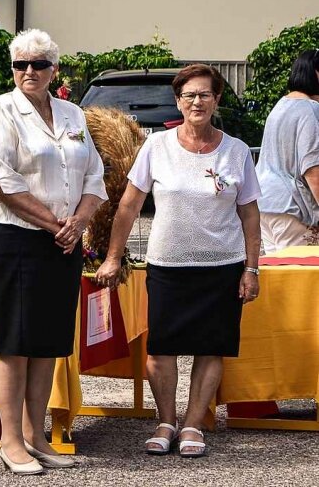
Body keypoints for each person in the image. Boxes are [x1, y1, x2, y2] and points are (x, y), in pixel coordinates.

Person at [95, 64, 262, 458]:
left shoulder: (236, 151)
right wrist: (113, 257)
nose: (197, 101)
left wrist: (251, 268)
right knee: (161, 350)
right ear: (178, 101)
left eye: (205, 94)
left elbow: (250, 214)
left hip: (222, 266)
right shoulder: (156, 147)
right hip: (168, 265)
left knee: (210, 348)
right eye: (189, 95)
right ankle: (165, 421)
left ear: (217, 99)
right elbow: (129, 205)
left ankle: (192, 424)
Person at [0, 29, 107, 474]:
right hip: (17, 236)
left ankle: (36, 436)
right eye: (20, 64)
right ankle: (9, 440)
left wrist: (80, 223)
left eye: (38, 64)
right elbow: (3, 183)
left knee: (48, 340)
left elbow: (95, 175)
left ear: (54, 69)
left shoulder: (73, 113)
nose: (28, 72)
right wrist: (58, 225)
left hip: (64, 238)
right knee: (14, 341)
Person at [255, 49, 319, 253]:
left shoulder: (281, 105)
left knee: (280, 275)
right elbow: (312, 168)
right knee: (304, 279)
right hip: (294, 208)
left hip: (265, 204)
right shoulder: (310, 109)